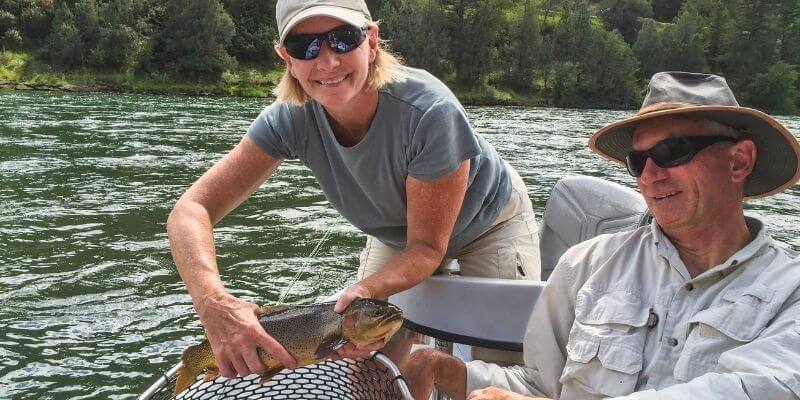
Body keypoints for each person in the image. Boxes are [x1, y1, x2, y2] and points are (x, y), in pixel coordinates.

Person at [166, 0, 541, 382]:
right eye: (304, 47)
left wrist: (366, 289)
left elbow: (428, 248)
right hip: (401, 235)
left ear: (372, 40)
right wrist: (213, 303)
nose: (327, 62)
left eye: (343, 39)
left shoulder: (430, 112)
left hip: (488, 224)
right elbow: (191, 208)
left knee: (498, 370)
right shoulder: (288, 119)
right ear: (287, 59)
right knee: (362, 369)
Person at [405, 71, 800, 400]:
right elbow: (540, 385)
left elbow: (761, 389)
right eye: (638, 161)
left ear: (739, 161)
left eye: (672, 152)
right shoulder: (584, 265)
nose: (649, 175)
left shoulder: (791, 292)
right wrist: (452, 372)